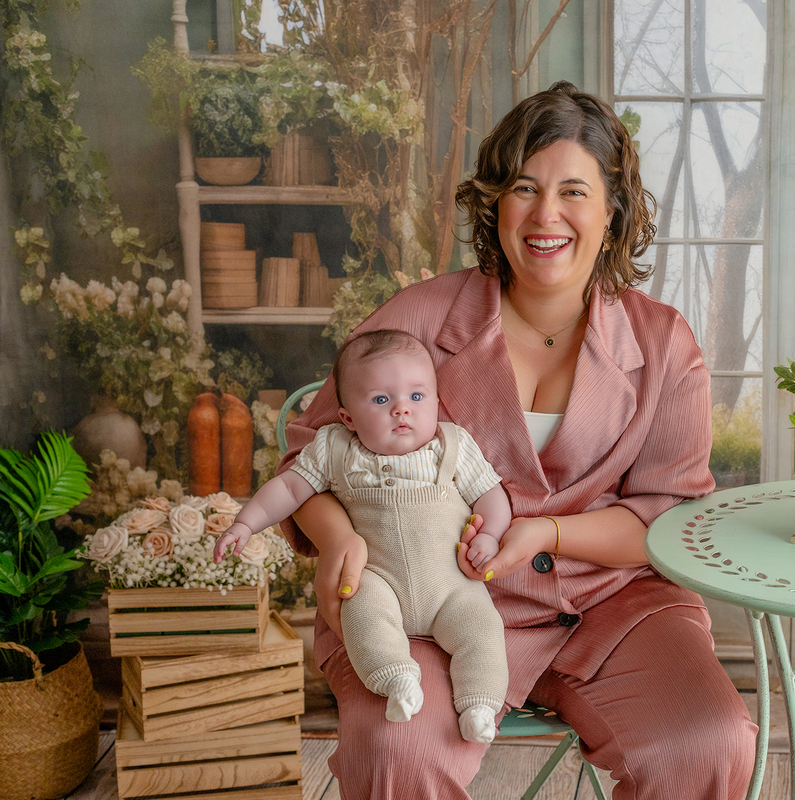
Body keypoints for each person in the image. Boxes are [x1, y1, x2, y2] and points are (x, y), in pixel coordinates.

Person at [279, 80, 756, 799]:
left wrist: (547, 533)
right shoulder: (418, 318)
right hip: (427, 608)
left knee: (708, 740)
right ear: (495, 203)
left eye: (574, 191)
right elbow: (307, 458)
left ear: (612, 209)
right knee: (397, 752)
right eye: (525, 189)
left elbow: (668, 521)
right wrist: (337, 532)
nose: (546, 215)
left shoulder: (664, 343)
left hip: (615, 606)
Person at [214, 330, 512, 743]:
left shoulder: (454, 446)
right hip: (379, 580)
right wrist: (245, 523)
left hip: (453, 587)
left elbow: (492, 495)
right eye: (380, 400)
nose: (401, 410)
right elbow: (287, 489)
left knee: (482, 628)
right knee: (361, 613)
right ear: (348, 418)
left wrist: (491, 535)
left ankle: (479, 704)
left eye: (417, 397)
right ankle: (396, 679)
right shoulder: (334, 449)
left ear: (437, 402)